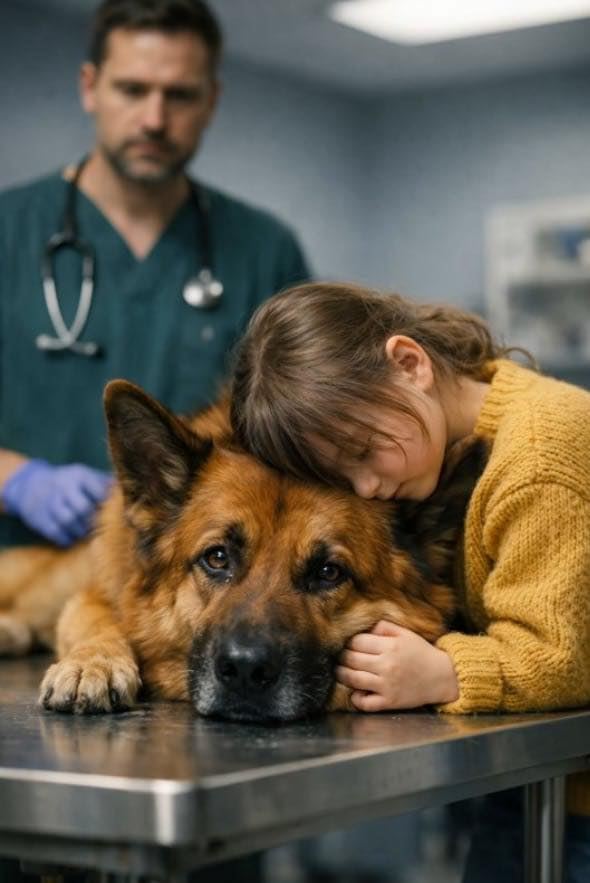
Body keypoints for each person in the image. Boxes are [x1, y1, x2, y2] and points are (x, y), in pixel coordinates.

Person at [230, 281, 590, 883]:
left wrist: (444, 671)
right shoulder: (463, 430)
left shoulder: (539, 461)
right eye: (340, 475)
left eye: (364, 450)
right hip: (542, 786)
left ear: (410, 364)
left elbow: (560, 657)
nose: (366, 487)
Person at [0, 0, 309, 551]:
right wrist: (19, 482)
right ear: (90, 87)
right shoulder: (9, 230)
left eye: (180, 95)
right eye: (132, 90)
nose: (154, 119)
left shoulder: (265, 250)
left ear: (212, 101)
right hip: (16, 573)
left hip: (188, 586)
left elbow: (306, 435)